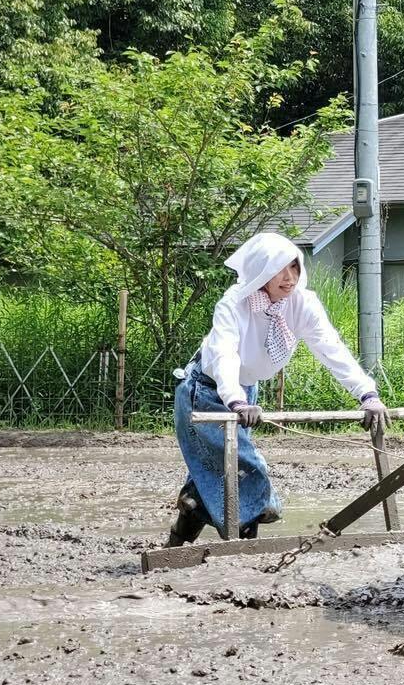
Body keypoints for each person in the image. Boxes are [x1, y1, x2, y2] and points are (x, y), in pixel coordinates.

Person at [166, 232, 390, 546]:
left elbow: (330, 348)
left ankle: (176, 545)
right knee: (244, 471)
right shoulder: (234, 303)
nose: (289, 278)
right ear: (260, 272)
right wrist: (235, 401)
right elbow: (224, 355)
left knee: (217, 475)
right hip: (206, 393)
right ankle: (243, 552)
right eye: (279, 270)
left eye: (294, 268)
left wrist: (367, 394)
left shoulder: (302, 303)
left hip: (245, 396)